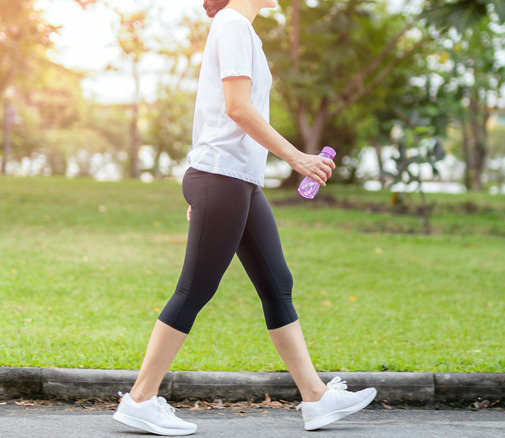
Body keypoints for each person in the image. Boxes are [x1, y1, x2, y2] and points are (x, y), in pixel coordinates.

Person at [112, 0, 376, 435]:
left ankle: (316, 398)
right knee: (194, 289)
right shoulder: (232, 25)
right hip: (222, 177)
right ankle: (140, 398)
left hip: (236, 181)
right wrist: (296, 157)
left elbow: (221, 110)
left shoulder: (241, 30)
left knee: (277, 284)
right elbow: (236, 107)